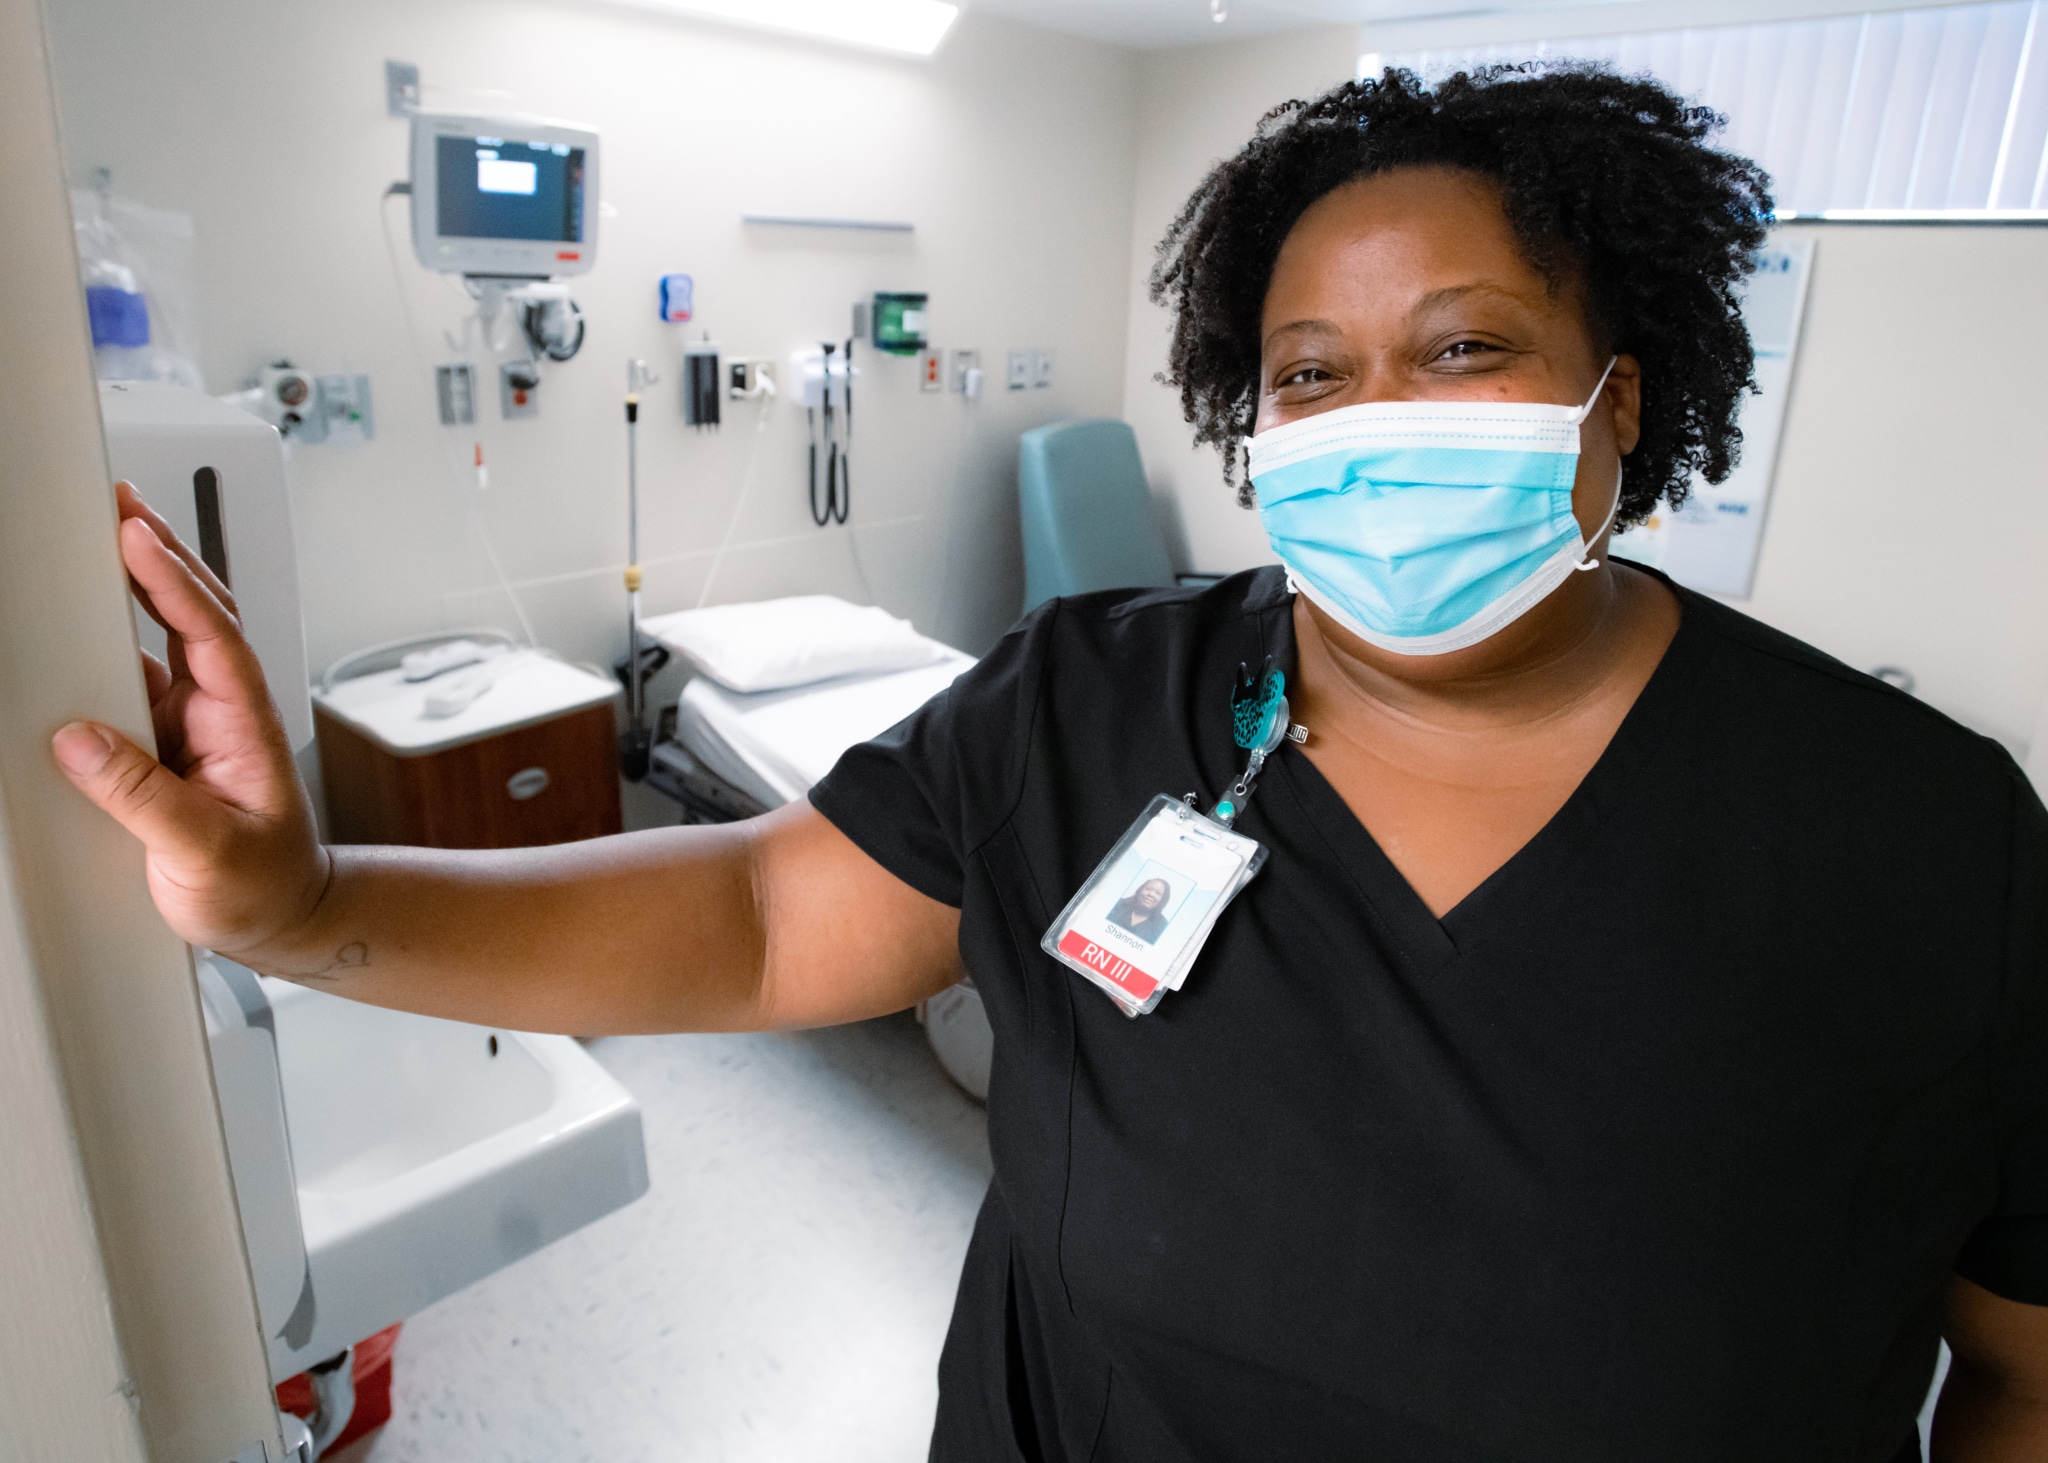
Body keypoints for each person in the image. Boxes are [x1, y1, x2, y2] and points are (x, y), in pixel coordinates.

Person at [53, 65, 2048, 1462]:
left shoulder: (1923, 839)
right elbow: (755, 914)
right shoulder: (1094, 700)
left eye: (1464, 348)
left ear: (1623, 400)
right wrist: (307, 901)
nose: (1375, 416)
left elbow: (2021, 1367)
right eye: (1311, 371)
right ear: (1247, 423)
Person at [1106, 876, 1173, 944]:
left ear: (1162, 900)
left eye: (1158, 893)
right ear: (1140, 890)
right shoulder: (1117, 904)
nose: (1151, 894)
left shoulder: (1162, 927)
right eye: (1148, 889)